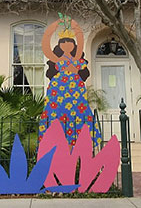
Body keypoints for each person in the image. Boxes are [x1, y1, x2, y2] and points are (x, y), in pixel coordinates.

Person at [38, 16, 102, 147]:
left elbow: (81, 40)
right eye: (63, 43)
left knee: (79, 114)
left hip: (76, 91)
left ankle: (79, 144)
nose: (66, 45)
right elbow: (46, 46)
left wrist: (74, 26)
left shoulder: (77, 58)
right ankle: (56, 142)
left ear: (73, 45)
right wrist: (54, 26)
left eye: (70, 43)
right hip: (57, 91)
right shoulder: (56, 59)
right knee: (56, 115)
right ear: (59, 46)